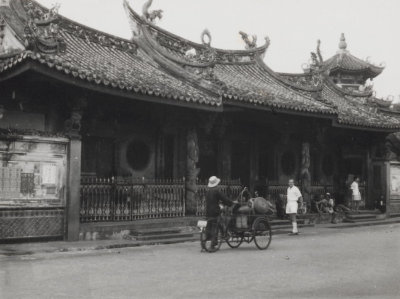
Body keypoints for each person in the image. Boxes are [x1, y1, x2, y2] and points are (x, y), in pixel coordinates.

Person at [205, 176, 234, 247]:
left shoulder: (208, 191)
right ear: (216, 183)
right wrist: (230, 203)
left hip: (208, 211)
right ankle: (214, 242)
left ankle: (206, 240)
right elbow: (224, 199)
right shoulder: (217, 190)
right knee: (217, 223)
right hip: (215, 211)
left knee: (209, 225)